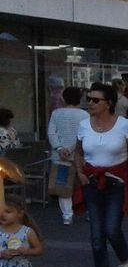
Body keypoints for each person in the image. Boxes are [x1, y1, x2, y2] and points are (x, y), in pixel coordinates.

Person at [75, 82, 128, 267]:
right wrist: (80, 172)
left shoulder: (124, 125)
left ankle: (126, 264)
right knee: (96, 234)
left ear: (108, 103)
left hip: (115, 183)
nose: (90, 103)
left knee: (112, 229)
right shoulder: (83, 125)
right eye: (88, 99)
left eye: (95, 100)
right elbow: (78, 152)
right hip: (92, 182)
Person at [47, 86, 88, 225]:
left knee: (63, 185)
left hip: (60, 156)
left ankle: (67, 215)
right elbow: (84, 135)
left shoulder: (56, 113)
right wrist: (72, 148)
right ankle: (89, 211)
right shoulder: (85, 115)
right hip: (80, 154)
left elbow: (51, 132)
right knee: (85, 183)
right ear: (80, 98)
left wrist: (59, 148)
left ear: (64, 98)